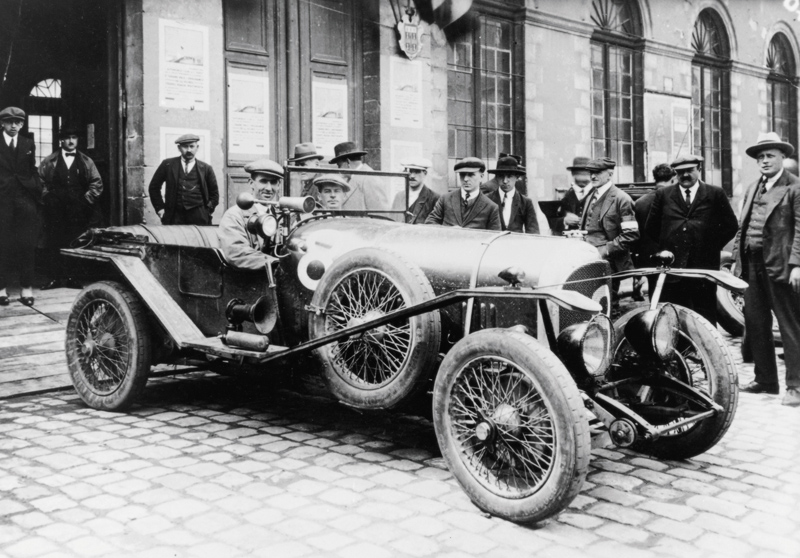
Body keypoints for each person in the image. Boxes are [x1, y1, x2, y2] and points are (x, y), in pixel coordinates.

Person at [734, 132, 800, 406]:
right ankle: (766, 380)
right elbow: (743, 227)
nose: (764, 161)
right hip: (752, 264)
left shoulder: (795, 187)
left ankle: (795, 386)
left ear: (783, 157)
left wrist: (797, 265)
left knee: (789, 326)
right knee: (756, 323)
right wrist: (737, 265)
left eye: (770, 155)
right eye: (760, 157)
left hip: (782, 265)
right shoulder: (752, 188)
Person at [644, 155, 738, 325]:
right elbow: (651, 227)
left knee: (705, 314)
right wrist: (669, 245)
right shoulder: (663, 194)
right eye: (680, 172)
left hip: (704, 268)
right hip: (673, 268)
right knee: (674, 314)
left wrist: (709, 246)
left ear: (699, 170)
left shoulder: (715, 193)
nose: (685, 175)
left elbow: (730, 226)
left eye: (689, 170)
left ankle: (704, 351)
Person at [39, 126, 103, 290]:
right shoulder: (49, 160)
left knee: (74, 241)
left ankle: (72, 277)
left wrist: (86, 201)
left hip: (78, 209)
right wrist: (48, 198)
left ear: (78, 139)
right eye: (67, 137)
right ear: (62, 140)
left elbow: (97, 183)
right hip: (55, 208)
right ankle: (54, 278)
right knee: (54, 240)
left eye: (74, 137)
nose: (71, 141)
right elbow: (39, 181)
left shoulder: (87, 161)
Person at [580, 157, 639, 312]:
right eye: (591, 172)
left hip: (609, 263)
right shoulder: (591, 195)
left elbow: (631, 235)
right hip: (587, 258)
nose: (593, 176)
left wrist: (605, 250)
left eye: (598, 172)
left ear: (610, 173)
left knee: (606, 306)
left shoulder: (621, 199)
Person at [0, 107, 40, 307]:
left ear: (22, 124)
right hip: (2, 201)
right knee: (2, 244)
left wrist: (36, 188)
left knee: (27, 244)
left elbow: (32, 169)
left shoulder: (27, 143)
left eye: (18, 122)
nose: (14, 125)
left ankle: (26, 288)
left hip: (24, 201)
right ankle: (1, 289)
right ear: (3, 123)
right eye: (9, 122)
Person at [218, 159, 282, 271]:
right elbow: (236, 253)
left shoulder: (281, 216)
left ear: (279, 185)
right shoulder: (234, 215)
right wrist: (276, 263)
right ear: (251, 183)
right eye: (263, 181)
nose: (268, 188)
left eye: (273, 182)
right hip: (247, 281)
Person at [148, 134, 219, 225]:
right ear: (179, 148)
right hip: (174, 215)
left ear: (197, 147)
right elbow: (154, 187)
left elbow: (215, 194)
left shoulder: (206, 168)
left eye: (192, 146)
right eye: (185, 146)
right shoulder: (168, 164)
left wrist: (207, 211)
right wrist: (160, 209)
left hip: (199, 215)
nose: (189, 150)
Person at [634, 164, 678, 299]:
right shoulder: (675, 200)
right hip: (674, 259)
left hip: (650, 260)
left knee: (655, 299)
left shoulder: (640, 202)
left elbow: (638, 236)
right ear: (673, 179)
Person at [425, 157, 501, 230]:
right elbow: (429, 223)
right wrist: (449, 230)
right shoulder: (445, 199)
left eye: (471, 175)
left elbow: (495, 237)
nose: (465, 179)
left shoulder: (491, 207)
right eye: (462, 174)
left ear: (481, 177)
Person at [486, 156, 539, 234]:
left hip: (516, 244)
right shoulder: (488, 199)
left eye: (509, 176)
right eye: (501, 176)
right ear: (496, 177)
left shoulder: (526, 202)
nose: (505, 181)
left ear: (517, 177)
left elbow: (533, 232)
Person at [329, 141, 388, 211]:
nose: (339, 170)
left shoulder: (370, 179)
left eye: (339, 165)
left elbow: (380, 215)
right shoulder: (351, 179)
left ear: (348, 162)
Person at [391, 157, 440, 224]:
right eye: (410, 171)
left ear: (425, 173)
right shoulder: (399, 196)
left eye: (417, 172)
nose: (412, 176)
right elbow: (392, 220)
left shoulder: (434, 198)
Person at [554, 156, 594, 235]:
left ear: (592, 173)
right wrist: (564, 220)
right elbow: (553, 221)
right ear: (573, 173)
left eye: (586, 171)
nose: (583, 175)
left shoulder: (598, 194)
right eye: (578, 171)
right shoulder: (565, 196)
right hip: (570, 242)